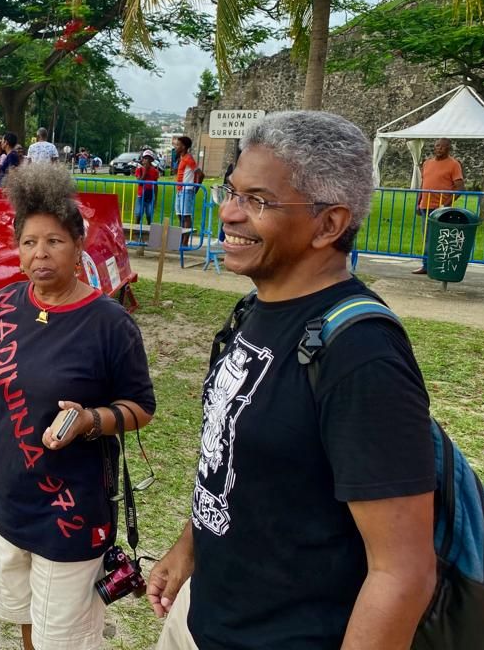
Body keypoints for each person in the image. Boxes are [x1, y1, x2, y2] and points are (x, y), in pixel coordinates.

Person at [147, 111, 436, 650]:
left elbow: (403, 574)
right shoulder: (252, 311)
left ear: (328, 225)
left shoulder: (361, 356)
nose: (229, 214)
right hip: (203, 617)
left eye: (257, 201)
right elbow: (228, 458)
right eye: (229, 192)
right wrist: (187, 549)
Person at [0, 162, 155, 650]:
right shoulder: (4, 304)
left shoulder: (109, 324)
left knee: (66, 638)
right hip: (9, 501)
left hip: (71, 512)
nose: (40, 253)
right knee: (27, 621)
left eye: (54, 241)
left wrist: (88, 420)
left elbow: (141, 407)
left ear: (79, 247)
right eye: (30, 241)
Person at [413, 137, 465, 274]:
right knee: (427, 236)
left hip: (441, 208)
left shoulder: (454, 164)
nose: (438, 148)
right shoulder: (427, 163)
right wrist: (418, 203)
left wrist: (444, 205)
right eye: (436, 146)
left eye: (442, 146)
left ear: (448, 148)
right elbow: (423, 184)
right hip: (426, 206)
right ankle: (426, 265)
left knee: (440, 238)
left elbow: (460, 188)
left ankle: (439, 266)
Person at [174, 137, 198, 246]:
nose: (176, 147)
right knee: (180, 215)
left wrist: (195, 187)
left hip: (186, 190)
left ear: (183, 147)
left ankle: (185, 242)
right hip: (179, 190)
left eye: (178, 145)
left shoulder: (189, 158)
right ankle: (180, 239)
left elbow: (200, 173)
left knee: (186, 216)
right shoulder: (181, 157)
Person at [134, 149, 160, 226]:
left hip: (150, 195)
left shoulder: (155, 171)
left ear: (151, 160)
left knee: (149, 214)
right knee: (138, 213)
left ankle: (149, 229)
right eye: (145, 158)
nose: (146, 161)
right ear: (142, 159)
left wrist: (156, 198)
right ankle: (137, 230)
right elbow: (140, 182)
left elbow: (155, 185)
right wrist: (145, 171)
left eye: (148, 159)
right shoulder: (139, 169)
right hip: (140, 195)